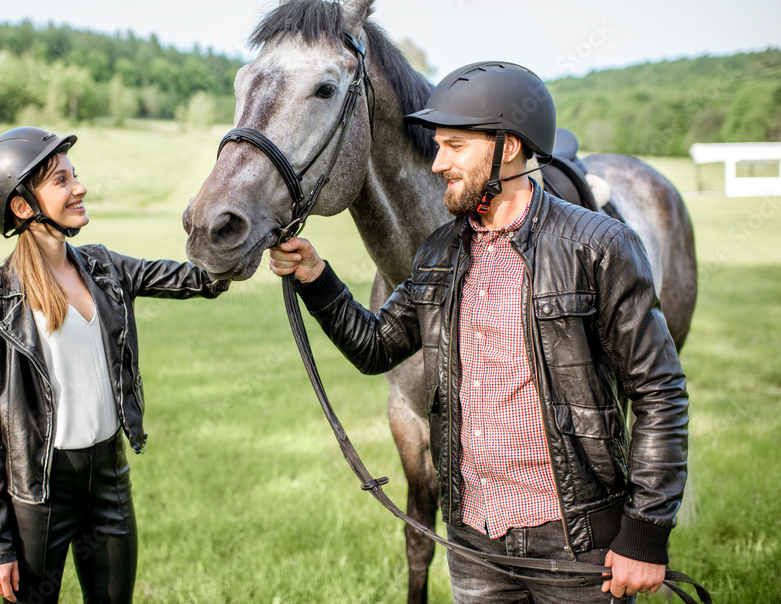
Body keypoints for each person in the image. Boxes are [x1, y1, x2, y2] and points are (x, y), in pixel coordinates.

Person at [269, 62, 688, 603]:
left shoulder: (600, 245)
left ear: (508, 147)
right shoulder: (439, 253)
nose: (438, 162)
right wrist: (315, 277)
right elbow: (376, 349)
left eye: (455, 146)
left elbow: (659, 391)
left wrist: (646, 533)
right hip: (473, 539)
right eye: (437, 145)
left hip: (578, 537)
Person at [0, 127, 229, 603]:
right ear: (23, 206)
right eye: (61, 181)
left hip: (109, 481)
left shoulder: (105, 267)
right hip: (38, 498)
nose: (79, 187)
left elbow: (198, 279)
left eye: (74, 176)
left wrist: (250, 238)